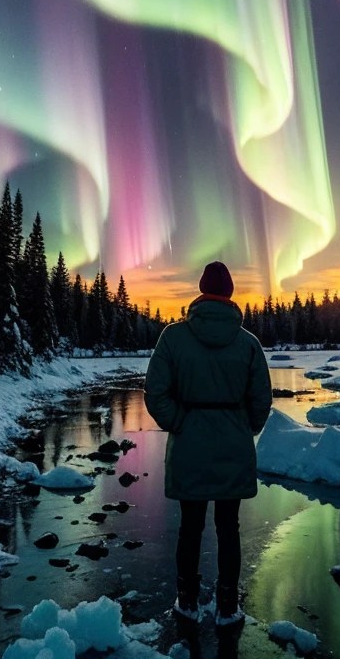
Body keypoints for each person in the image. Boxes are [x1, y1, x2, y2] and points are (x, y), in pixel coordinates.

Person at [144, 260, 273, 626]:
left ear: (201, 290)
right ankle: (228, 605)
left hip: (189, 448)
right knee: (228, 527)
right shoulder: (248, 344)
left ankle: (186, 600)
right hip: (233, 446)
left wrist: (180, 421)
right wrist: (245, 428)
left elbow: (155, 393)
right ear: (230, 294)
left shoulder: (173, 337)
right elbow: (261, 400)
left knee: (190, 527)